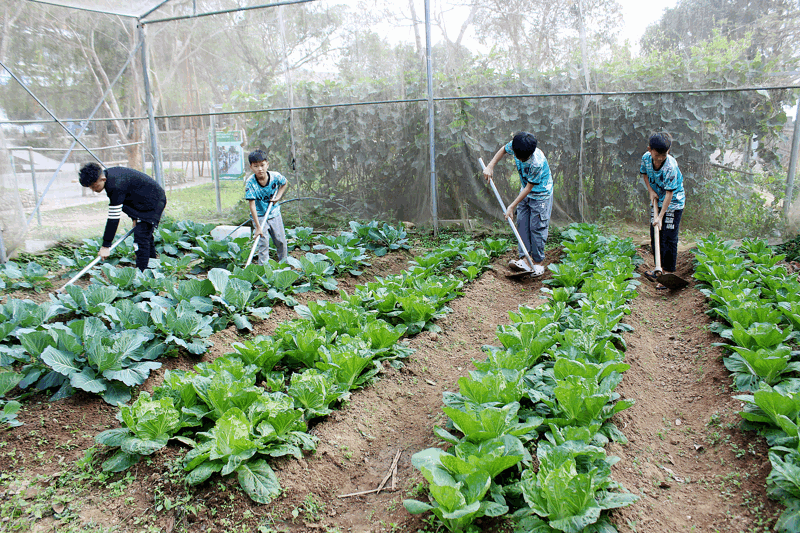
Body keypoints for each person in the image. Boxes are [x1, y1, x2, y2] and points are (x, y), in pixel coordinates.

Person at [482, 131, 553, 278]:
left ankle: (538, 263)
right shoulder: (516, 145)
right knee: (521, 224)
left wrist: (511, 206)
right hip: (525, 192)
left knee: (537, 228)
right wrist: (490, 166)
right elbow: (503, 149)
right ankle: (525, 260)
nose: (518, 158)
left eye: (521, 157)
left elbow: (529, 187)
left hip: (540, 196)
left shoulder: (536, 162)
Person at [78, 162, 167, 272]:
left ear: (102, 179)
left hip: (153, 202)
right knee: (145, 236)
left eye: (94, 186)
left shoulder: (115, 184)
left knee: (141, 239)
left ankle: (143, 273)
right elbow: (128, 197)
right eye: (90, 187)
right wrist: (135, 217)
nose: (93, 190)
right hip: (142, 202)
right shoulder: (110, 178)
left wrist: (106, 246)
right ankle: (153, 268)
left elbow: (113, 218)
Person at [640, 132, 685, 290]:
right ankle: (658, 268)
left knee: (669, 238)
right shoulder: (646, 158)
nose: (660, 158)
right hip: (657, 200)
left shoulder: (670, 167)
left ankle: (668, 273)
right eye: (657, 155)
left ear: (669, 151)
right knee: (655, 235)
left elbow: (669, 194)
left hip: (673, 203)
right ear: (650, 150)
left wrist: (660, 216)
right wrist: (650, 191)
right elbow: (644, 174)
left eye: (663, 155)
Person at [244, 150, 289, 264]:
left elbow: (284, 183)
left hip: (274, 213)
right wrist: (258, 227)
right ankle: (263, 269)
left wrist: (278, 196)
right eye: (256, 166)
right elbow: (252, 206)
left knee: (280, 241)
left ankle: (284, 265)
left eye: (262, 165)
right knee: (263, 243)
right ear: (251, 167)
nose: (260, 169)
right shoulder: (250, 183)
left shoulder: (275, 177)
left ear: (267, 164)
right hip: (259, 215)